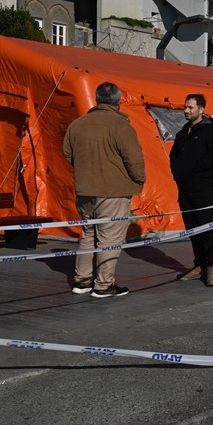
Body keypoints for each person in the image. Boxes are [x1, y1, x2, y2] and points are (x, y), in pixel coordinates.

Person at [62, 82, 146, 298]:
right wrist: (139, 180)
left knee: (88, 235)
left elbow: (67, 153)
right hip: (113, 191)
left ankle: (82, 281)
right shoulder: (120, 125)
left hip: (85, 190)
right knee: (110, 239)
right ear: (118, 101)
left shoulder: (77, 124)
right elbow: (134, 159)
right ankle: (103, 285)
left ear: (97, 99)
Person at [169, 93, 213, 287]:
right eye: (185, 107)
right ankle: (198, 265)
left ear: (201, 110)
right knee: (192, 229)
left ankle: (211, 268)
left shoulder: (211, 131)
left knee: (207, 228)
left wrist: (196, 168)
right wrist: (178, 173)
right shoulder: (182, 133)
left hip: (204, 188)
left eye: (190, 107)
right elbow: (173, 155)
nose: (186, 110)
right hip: (184, 189)